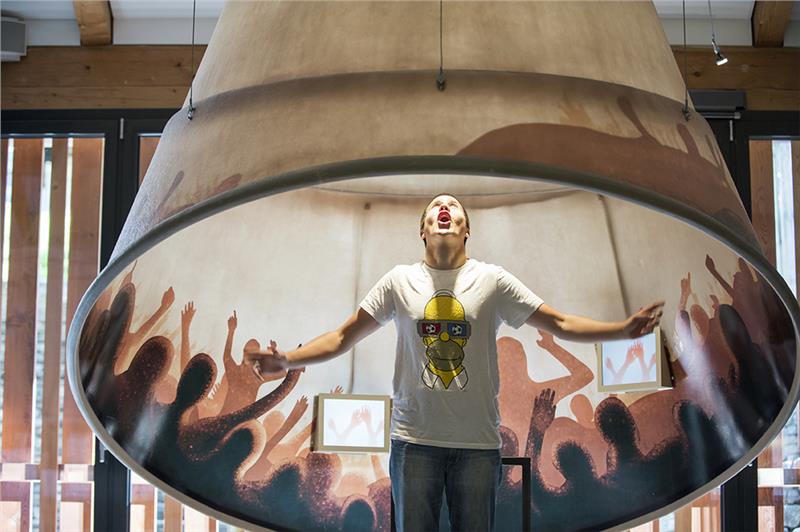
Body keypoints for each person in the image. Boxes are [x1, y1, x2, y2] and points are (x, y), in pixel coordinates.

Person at [254, 193, 663, 531]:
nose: (444, 208)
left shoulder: (492, 281)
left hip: (477, 446)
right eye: (435, 206)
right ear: (423, 230)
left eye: (453, 206)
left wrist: (621, 330)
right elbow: (343, 336)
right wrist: (287, 360)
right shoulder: (399, 281)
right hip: (414, 442)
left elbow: (558, 322)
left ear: (467, 230)